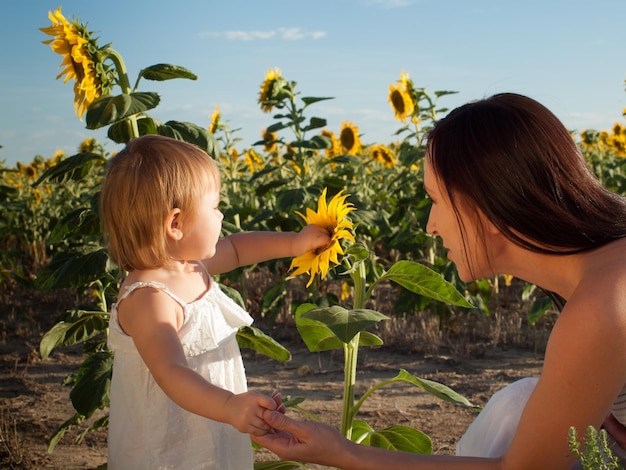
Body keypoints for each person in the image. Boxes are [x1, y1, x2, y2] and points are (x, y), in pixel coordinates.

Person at [253, 93, 626, 469]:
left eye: (435, 199)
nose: (431, 225)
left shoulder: (601, 305)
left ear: (487, 208)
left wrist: (342, 452)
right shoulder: (608, 269)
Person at [100, 134, 331, 469]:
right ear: (175, 224)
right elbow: (171, 371)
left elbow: (238, 248)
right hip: (169, 443)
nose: (221, 215)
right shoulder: (151, 299)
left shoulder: (189, 265)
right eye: (214, 206)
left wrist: (295, 243)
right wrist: (228, 406)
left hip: (210, 423)